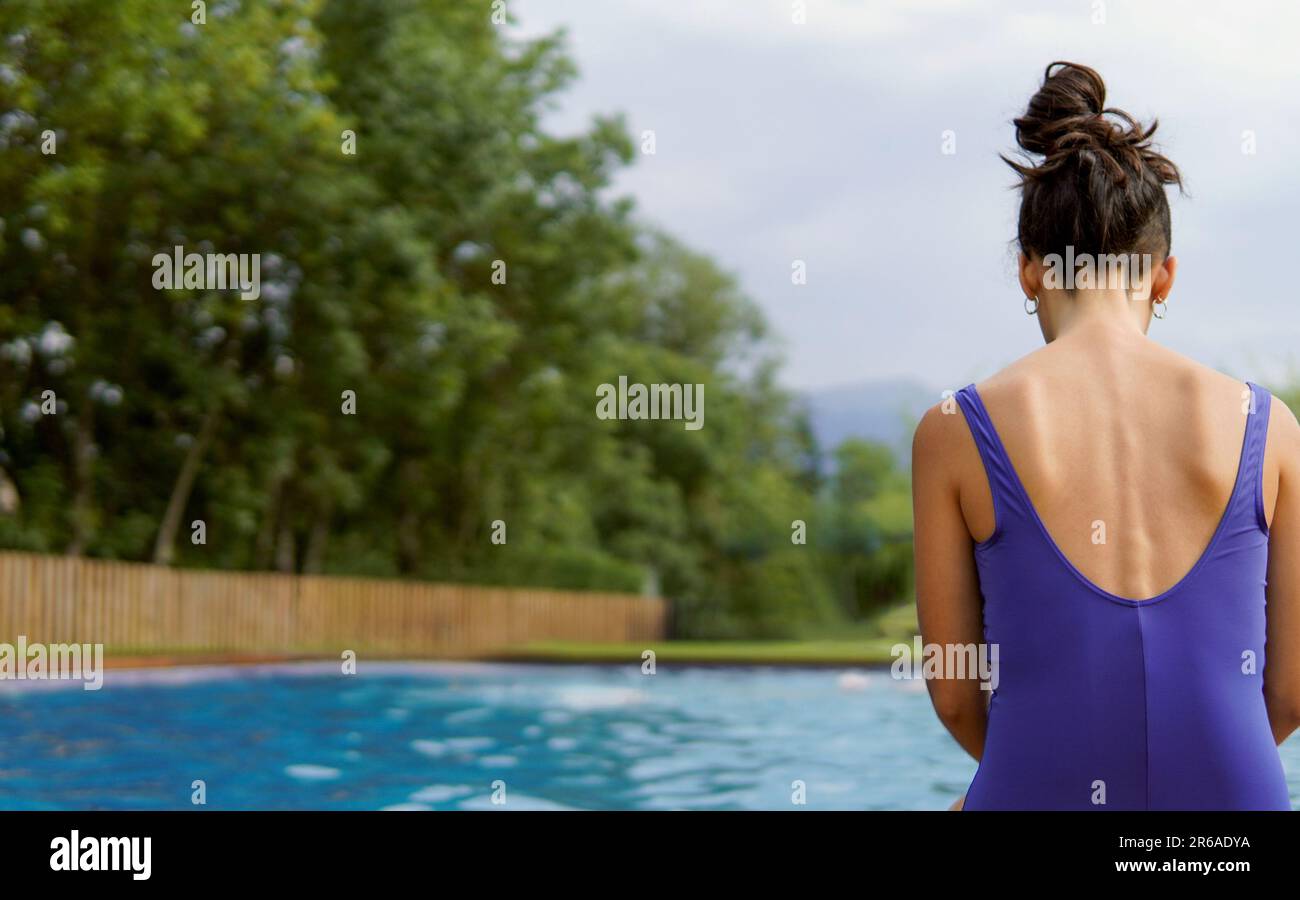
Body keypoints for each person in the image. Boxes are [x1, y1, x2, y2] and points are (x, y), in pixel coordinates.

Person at [911, 61, 1300, 810]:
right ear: (1163, 276)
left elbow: (956, 698)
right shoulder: (1270, 425)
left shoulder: (954, 429)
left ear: (1028, 272)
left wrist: (1045, 770)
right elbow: (1289, 689)